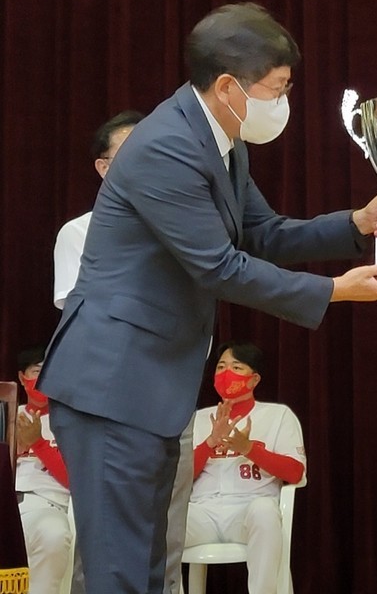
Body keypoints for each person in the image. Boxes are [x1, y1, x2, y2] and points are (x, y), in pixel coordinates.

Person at [38, 2, 377, 594]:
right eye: (277, 88)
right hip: (112, 383)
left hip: (149, 384)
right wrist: (335, 291)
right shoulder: (167, 146)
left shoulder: (221, 138)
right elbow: (219, 266)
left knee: (151, 567)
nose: (283, 102)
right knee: (118, 571)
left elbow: (262, 232)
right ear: (227, 86)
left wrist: (356, 223)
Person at [53, 110, 193, 594]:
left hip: (172, 394)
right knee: (109, 549)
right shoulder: (81, 230)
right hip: (114, 395)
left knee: (163, 540)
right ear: (103, 167)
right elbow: (90, 314)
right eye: (133, 153)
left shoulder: (183, 224)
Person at [187, 341, 306, 594]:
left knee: (265, 512)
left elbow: (295, 472)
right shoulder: (198, 419)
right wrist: (210, 443)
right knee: (160, 521)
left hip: (249, 510)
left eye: (236, 367)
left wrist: (249, 449)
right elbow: (180, 479)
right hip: (202, 512)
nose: (226, 373)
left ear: (254, 379)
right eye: (221, 367)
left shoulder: (278, 416)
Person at [53, 110, 143, 310]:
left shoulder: (178, 225)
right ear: (104, 168)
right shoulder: (78, 233)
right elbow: (82, 312)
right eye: (129, 156)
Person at [15, 346, 76, 594]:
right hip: (7, 504)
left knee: (53, 534)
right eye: (36, 371)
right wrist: (16, 449)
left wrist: (38, 444)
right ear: (22, 378)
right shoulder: (9, 414)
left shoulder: (72, 424)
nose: (42, 379)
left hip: (47, 504)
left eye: (49, 371)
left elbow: (75, 479)